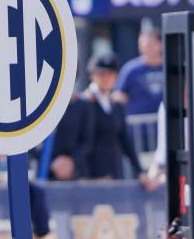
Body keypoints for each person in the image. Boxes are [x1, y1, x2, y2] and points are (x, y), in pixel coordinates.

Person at [44, 53, 140, 181]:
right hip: (87, 173)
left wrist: (139, 171)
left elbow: (125, 139)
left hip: (113, 172)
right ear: (92, 75)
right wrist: (72, 162)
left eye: (111, 74)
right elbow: (81, 141)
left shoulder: (116, 105)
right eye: (101, 74)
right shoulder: (82, 103)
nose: (106, 78)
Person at [114, 23, 166, 119]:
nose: (145, 47)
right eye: (141, 44)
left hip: (166, 127)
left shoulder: (170, 67)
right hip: (137, 130)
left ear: (160, 44)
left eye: (149, 44)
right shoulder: (130, 69)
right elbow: (119, 96)